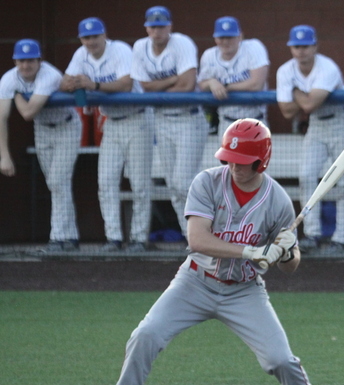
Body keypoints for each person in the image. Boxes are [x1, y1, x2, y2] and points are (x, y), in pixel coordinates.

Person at [86, 118, 344, 385]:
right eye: (230, 159)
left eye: (243, 162)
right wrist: (250, 250)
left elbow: (291, 265)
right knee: (145, 335)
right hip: (194, 283)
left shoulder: (278, 201)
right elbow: (198, 240)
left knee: (281, 359)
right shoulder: (207, 183)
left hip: (244, 291)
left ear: (261, 161)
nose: (234, 167)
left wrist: (285, 252)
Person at [61, 17, 156, 253]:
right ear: (81, 39)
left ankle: (138, 239)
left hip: (138, 119)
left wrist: (92, 85)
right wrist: (73, 83)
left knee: (139, 183)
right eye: (86, 37)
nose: (91, 41)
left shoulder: (120, 50)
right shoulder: (81, 54)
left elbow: (125, 84)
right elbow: (64, 82)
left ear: (104, 35)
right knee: (105, 182)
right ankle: (113, 237)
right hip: (111, 122)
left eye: (95, 36)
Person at [276, 25, 344, 258]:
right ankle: (312, 234)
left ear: (315, 46)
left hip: (343, 121)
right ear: (291, 48)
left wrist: (295, 93)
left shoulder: (327, 67)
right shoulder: (285, 70)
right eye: (296, 46)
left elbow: (307, 105)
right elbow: (286, 112)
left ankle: (340, 240)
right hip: (317, 124)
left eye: (305, 46)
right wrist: (303, 99)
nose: (301, 51)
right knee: (306, 175)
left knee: (343, 182)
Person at [131, 5, 206, 237]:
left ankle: (204, 233)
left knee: (183, 183)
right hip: (162, 121)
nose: (157, 30)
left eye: (161, 25)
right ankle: (192, 237)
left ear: (169, 26)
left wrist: (161, 88)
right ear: (146, 27)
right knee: (174, 187)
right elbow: (144, 86)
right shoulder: (139, 47)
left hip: (189, 119)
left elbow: (187, 85)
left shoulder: (181, 43)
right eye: (153, 26)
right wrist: (174, 79)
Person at [0, 39, 81, 253]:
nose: (25, 65)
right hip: (43, 130)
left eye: (30, 60)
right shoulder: (9, 78)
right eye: (21, 60)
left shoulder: (50, 74)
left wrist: (17, 96)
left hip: (66, 126)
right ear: (15, 61)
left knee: (57, 181)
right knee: (57, 184)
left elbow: (27, 113)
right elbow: (1, 117)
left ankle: (58, 238)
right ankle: (71, 238)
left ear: (39, 60)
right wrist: (4, 155)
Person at [198, 16, 270, 143]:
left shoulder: (253, 48)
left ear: (240, 36)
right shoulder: (209, 56)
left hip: (255, 121)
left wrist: (225, 86)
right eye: (222, 37)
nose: (225, 42)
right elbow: (201, 83)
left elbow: (257, 84)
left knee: (258, 163)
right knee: (228, 163)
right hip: (226, 122)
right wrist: (211, 82)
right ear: (215, 38)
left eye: (230, 37)